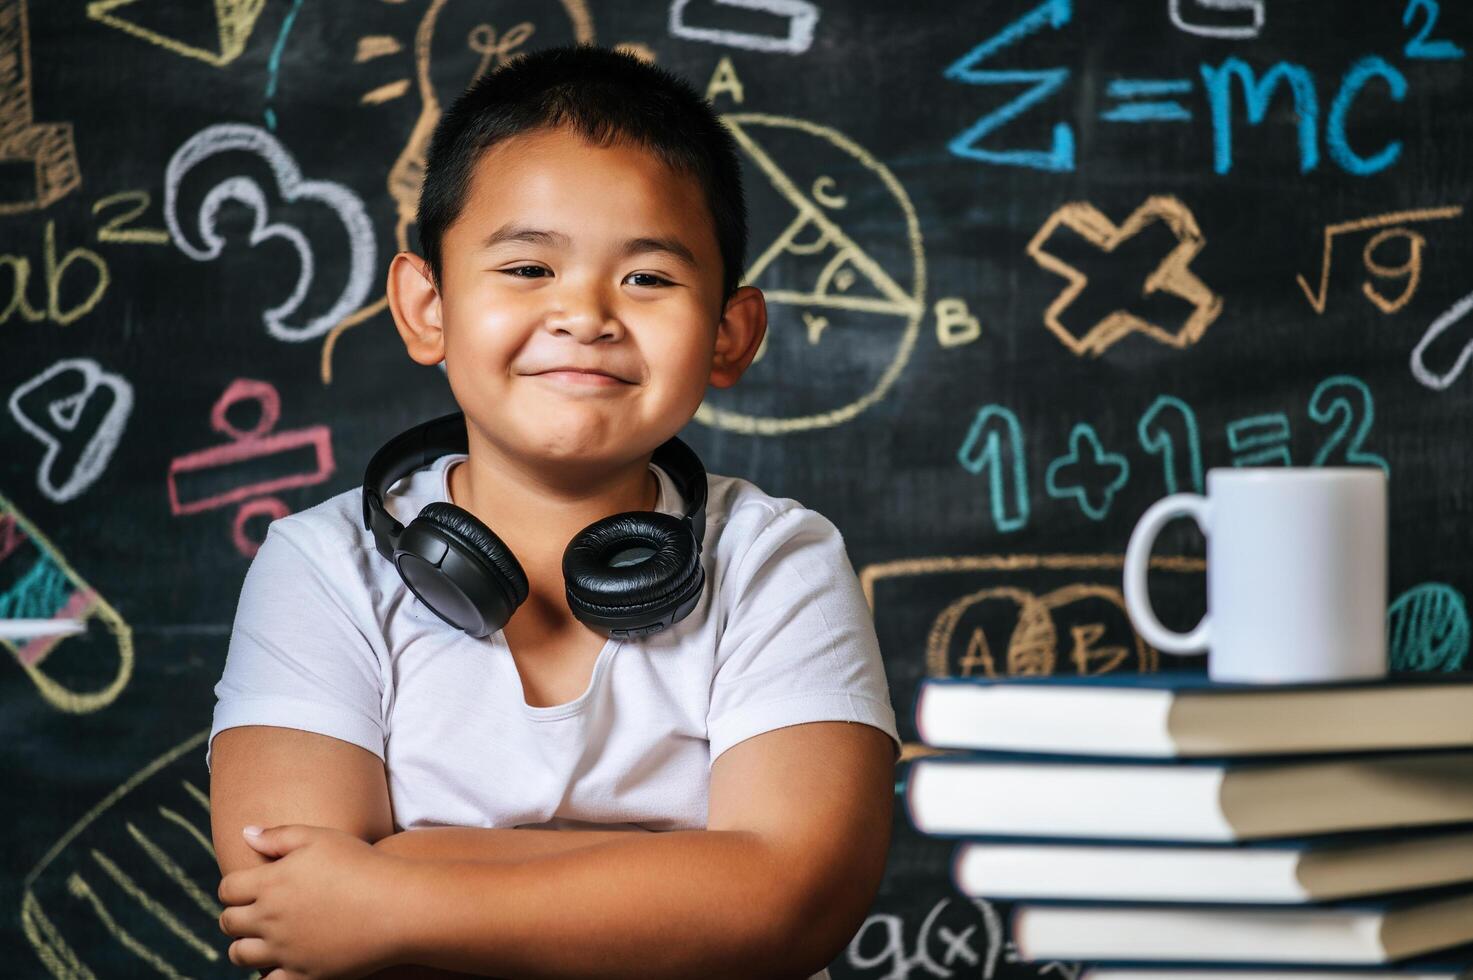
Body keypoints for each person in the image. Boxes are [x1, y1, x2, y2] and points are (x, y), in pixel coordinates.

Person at [207, 43, 900, 980]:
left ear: (730, 335)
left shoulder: (778, 560)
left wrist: (400, 883)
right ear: (426, 307)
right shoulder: (320, 565)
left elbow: (787, 903)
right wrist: (686, 885)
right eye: (528, 268)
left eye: (648, 277)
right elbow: (284, 902)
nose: (584, 314)